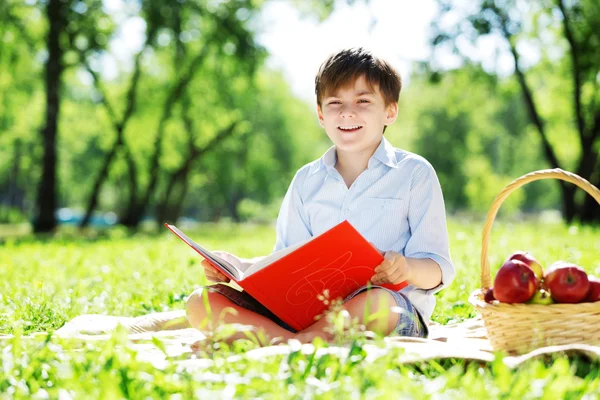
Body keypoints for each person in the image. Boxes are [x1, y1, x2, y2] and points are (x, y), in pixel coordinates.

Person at [186, 47, 454, 344]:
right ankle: (298, 342)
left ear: (390, 111)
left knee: (376, 302)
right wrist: (238, 266)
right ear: (320, 114)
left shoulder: (415, 173)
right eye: (335, 102)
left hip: (388, 308)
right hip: (309, 313)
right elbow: (287, 264)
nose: (347, 112)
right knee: (201, 302)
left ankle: (281, 343)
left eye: (363, 101)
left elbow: (437, 269)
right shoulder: (306, 181)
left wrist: (406, 267)